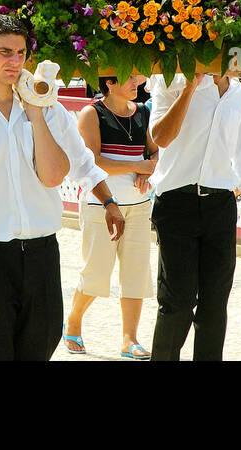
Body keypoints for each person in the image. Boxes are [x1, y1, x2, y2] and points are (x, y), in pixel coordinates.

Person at [0, 14, 123, 361]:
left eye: (20, 53)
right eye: (4, 52)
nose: (15, 62)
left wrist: (108, 202)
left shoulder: (48, 110)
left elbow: (74, 166)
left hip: (42, 252)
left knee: (40, 347)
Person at [145, 71, 241, 361]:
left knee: (215, 304)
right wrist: (189, 89)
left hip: (220, 205)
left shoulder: (238, 95)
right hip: (175, 202)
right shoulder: (170, 81)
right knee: (177, 301)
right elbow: (160, 137)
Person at [63, 73, 158, 360]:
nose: (137, 83)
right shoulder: (92, 114)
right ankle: (74, 320)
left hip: (139, 205)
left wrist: (148, 167)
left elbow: (155, 154)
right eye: (129, 78)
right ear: (109, 83)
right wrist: (140, 164)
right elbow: (92, 163)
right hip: (100, 205)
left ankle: (129, 339)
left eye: (137, 78)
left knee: (136, 273)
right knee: (96, 273)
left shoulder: (144, 112)